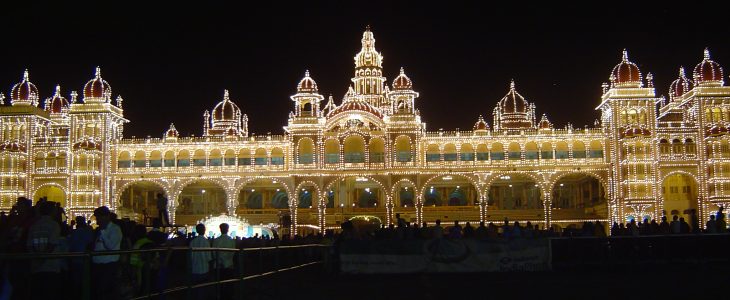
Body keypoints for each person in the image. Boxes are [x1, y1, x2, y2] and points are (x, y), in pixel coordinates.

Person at [26, 201, 61, 300]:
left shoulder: (34, 226)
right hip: (50, 265)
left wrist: (36, 259)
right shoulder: (54, 225)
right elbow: (52, 244)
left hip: (35, 266)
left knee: (37, 294)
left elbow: (29, 245)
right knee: (50, 293)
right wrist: (42, 258)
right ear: (52, 212)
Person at [92, 206, 123, 300]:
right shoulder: (100, 230)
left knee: (106, 291)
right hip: (98, 264)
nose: (97, 220)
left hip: (109, 265)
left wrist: (103, 232)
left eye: (98, 217)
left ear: (106, 217)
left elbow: (110, 246)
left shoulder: (115, 229)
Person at [212, 223, 236, 300]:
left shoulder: (216, 241)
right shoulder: (231, 240)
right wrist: (225, 260)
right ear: (228, 229)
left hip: (218, 265)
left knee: (219, 284)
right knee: (229, 284)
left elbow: (214, 253)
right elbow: (232, 253)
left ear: (220, 229)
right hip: (228, 265)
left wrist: (220, 260)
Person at [190, 223, 212, 299]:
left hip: (194, 268)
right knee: (203, 288)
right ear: (204, 230)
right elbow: (208, 257)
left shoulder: (192, 242)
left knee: (195, 288)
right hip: (204, 268)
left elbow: (190, 257)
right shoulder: (206, 242)